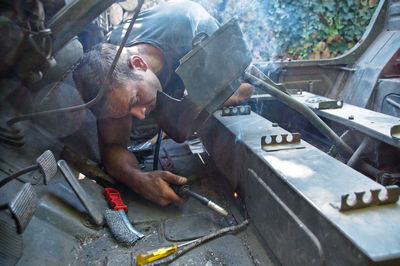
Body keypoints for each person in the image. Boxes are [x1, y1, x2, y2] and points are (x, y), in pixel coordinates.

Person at [73, 0, 254, 206]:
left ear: (139, 64)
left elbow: (245, 89)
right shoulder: (109, 75)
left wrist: (198, 99)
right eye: (128, 111)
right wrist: (138, 179)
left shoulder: (194, 29)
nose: (140, 115)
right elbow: (112, 147)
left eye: (135, 100)